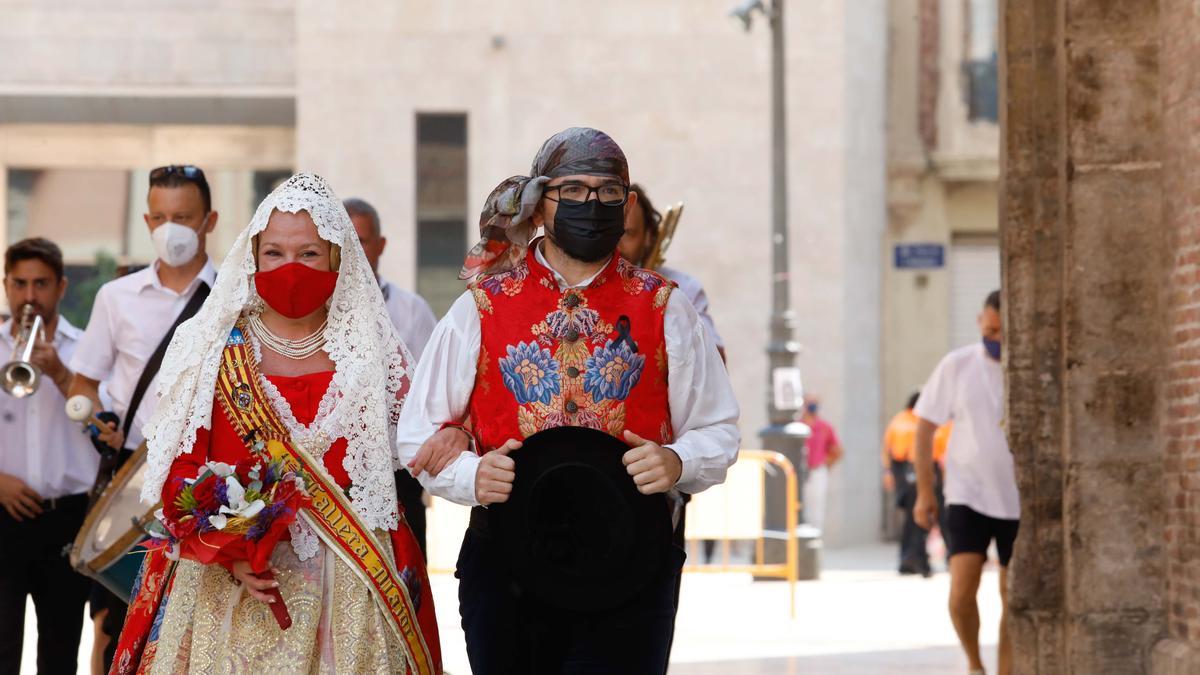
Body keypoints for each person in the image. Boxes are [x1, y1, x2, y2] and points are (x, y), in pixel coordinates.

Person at [397, 127, 740, 674]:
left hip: (633, 563)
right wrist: (470, 475)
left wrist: (678, 460)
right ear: (538, 205)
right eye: (574, 190)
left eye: (608, 192)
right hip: (507, 565)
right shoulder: (479, 308)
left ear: (626, 205)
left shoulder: (667, 308)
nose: (593, 204)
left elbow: (718, 428)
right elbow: (416, 434)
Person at [107, 173, 441, 674]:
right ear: (252, 256)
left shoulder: (372, 351)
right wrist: (226, 549)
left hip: (352, 587)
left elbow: (427, 443)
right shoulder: (208, 348)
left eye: (308, 254)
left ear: (337, 259)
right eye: (274, 253)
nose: (290, 268)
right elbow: (177, 478)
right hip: (230, 594)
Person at [67, 164, 219, 672]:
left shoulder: (232, 298)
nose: (169, 228)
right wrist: (94, 421)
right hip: (132, 479)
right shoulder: (116, 297)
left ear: (209, 220)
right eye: (159, 216)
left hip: (210, 482)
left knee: (197, 622)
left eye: (183, 216)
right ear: (146, 219)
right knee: (117, 625)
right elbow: (82, 384)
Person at [0, 238, 99, 674]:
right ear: (5, 285)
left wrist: (60, 373)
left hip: (66, 518)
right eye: (19, 284)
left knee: (60, 653)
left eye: (40, 284)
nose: (29, 297)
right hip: (2, 514)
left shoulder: (87, 352)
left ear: (60, 287)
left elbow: (105, 430)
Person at [913, 289, 1017, 675]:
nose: (996, 338)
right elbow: (924, 427)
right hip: (967, 494)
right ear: (979, 321)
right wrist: (926, 490)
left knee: (1013, 596)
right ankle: (975, 664)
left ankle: (1006, 670)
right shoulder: (957, 365)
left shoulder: (1029, 366)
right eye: (991, 329)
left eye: (1004, 332)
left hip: (1019, 500)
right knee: (961, 593)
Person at [344, 196, 438, 555]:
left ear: (380, 245)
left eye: (361, 241)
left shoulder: (411, 310)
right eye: (343, 242)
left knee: (406, 582)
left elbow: (432, 397)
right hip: (330, 476)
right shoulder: (308, 314)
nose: (352, 252)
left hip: (398, 474)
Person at [617, 183, 726, 359]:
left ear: (648, 237)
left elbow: (714, 360)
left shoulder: (683, 289)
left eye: (627, 234)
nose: (617, 245)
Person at [883, 391, 933, 576]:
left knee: (912, 521)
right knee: (917, 520)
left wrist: (888, 472)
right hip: (912, 474)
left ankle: (909, 559)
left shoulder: (900, 420)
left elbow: (886, 449)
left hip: (906, 475)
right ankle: (915, 560)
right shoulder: (914, 422)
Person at [800, 394, 843, 531]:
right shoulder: (798, 426)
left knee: (817, 507)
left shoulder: (824, 426)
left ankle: (816, 538)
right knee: (801, 506)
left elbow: (837, 450)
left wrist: (826, 464)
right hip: (801, 472)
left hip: (817, 470)